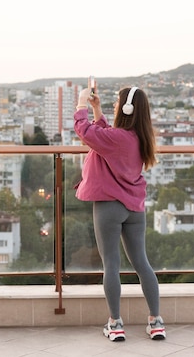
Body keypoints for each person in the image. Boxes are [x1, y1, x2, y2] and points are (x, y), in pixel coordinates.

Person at [73, 83, 166, 342]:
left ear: (126, 108)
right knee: (142, 264)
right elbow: (107, 136)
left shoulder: (117, 139)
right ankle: (156, 321)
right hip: (135, 208)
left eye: (117, 102)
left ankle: (115, 324)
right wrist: (98, 110)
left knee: (111, 265)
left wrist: (81, 105)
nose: (115, 105)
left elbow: (85, 131)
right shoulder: (139, 138)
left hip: (109, 206)